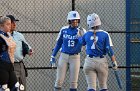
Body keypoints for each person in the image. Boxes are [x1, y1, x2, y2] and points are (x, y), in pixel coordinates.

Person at [80, 13, 118, 91]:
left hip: (89, 61)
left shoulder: (86, 34)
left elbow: (81, 42)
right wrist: (114, 62)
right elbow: (108, 49)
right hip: (101, 61)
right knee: (103, 85)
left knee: (91, 86)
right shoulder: (105, 34)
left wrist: (81, 34)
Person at [50, 11, 86, 91]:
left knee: (73, 83)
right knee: (59, 80)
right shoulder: (64, 29)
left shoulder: (82, 30)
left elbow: (84, 43)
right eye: (73, 20)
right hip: (64, 56)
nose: (75, 22)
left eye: (77, 20)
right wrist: (53, 55)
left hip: (75, 57)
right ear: (69, 21)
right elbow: (59, 43)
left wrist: (81, 36)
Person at [6, 15, 33, 91]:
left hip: (20, 65)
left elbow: (27, 46)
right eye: (12, 23)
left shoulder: (19, 35)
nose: (15, 24)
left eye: (15, 22)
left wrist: (29, 51)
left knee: (22, 87)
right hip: (9, 66)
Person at [0, 16, 20, 91]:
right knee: (4, 88)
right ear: (1, 26)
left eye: (10, 24)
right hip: (2, 65)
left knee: (16, 87)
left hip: (10, 66)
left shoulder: (8, 35)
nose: (10, 26)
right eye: (7, 24)